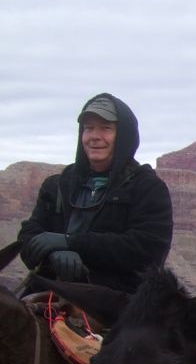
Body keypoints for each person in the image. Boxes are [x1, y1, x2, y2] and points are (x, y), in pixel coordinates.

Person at [18, 93, 173, 292]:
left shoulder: (147, 188)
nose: (95, 137)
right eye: (88, 128)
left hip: (115, 301)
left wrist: (71, 243)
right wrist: (53, 255)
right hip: (48, 290)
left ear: (124, 136)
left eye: (105, 128)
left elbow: (146, 249)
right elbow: (28, 235)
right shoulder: (58, 185)